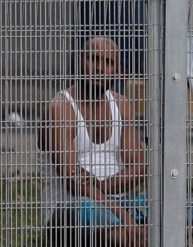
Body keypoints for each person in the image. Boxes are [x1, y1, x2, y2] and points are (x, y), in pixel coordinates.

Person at [40, 36, 148, 246]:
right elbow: (73, 182)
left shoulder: (121, 105)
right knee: (85, 209)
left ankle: (137, 235)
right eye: (93, 59)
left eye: (108, 63)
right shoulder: (61, 107)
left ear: (118, 72)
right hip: (73, 212)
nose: (99, 68)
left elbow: (140, 165)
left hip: (119, 204)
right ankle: (149, 235)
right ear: (80, 61)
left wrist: (100, 186)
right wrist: (123, 215)